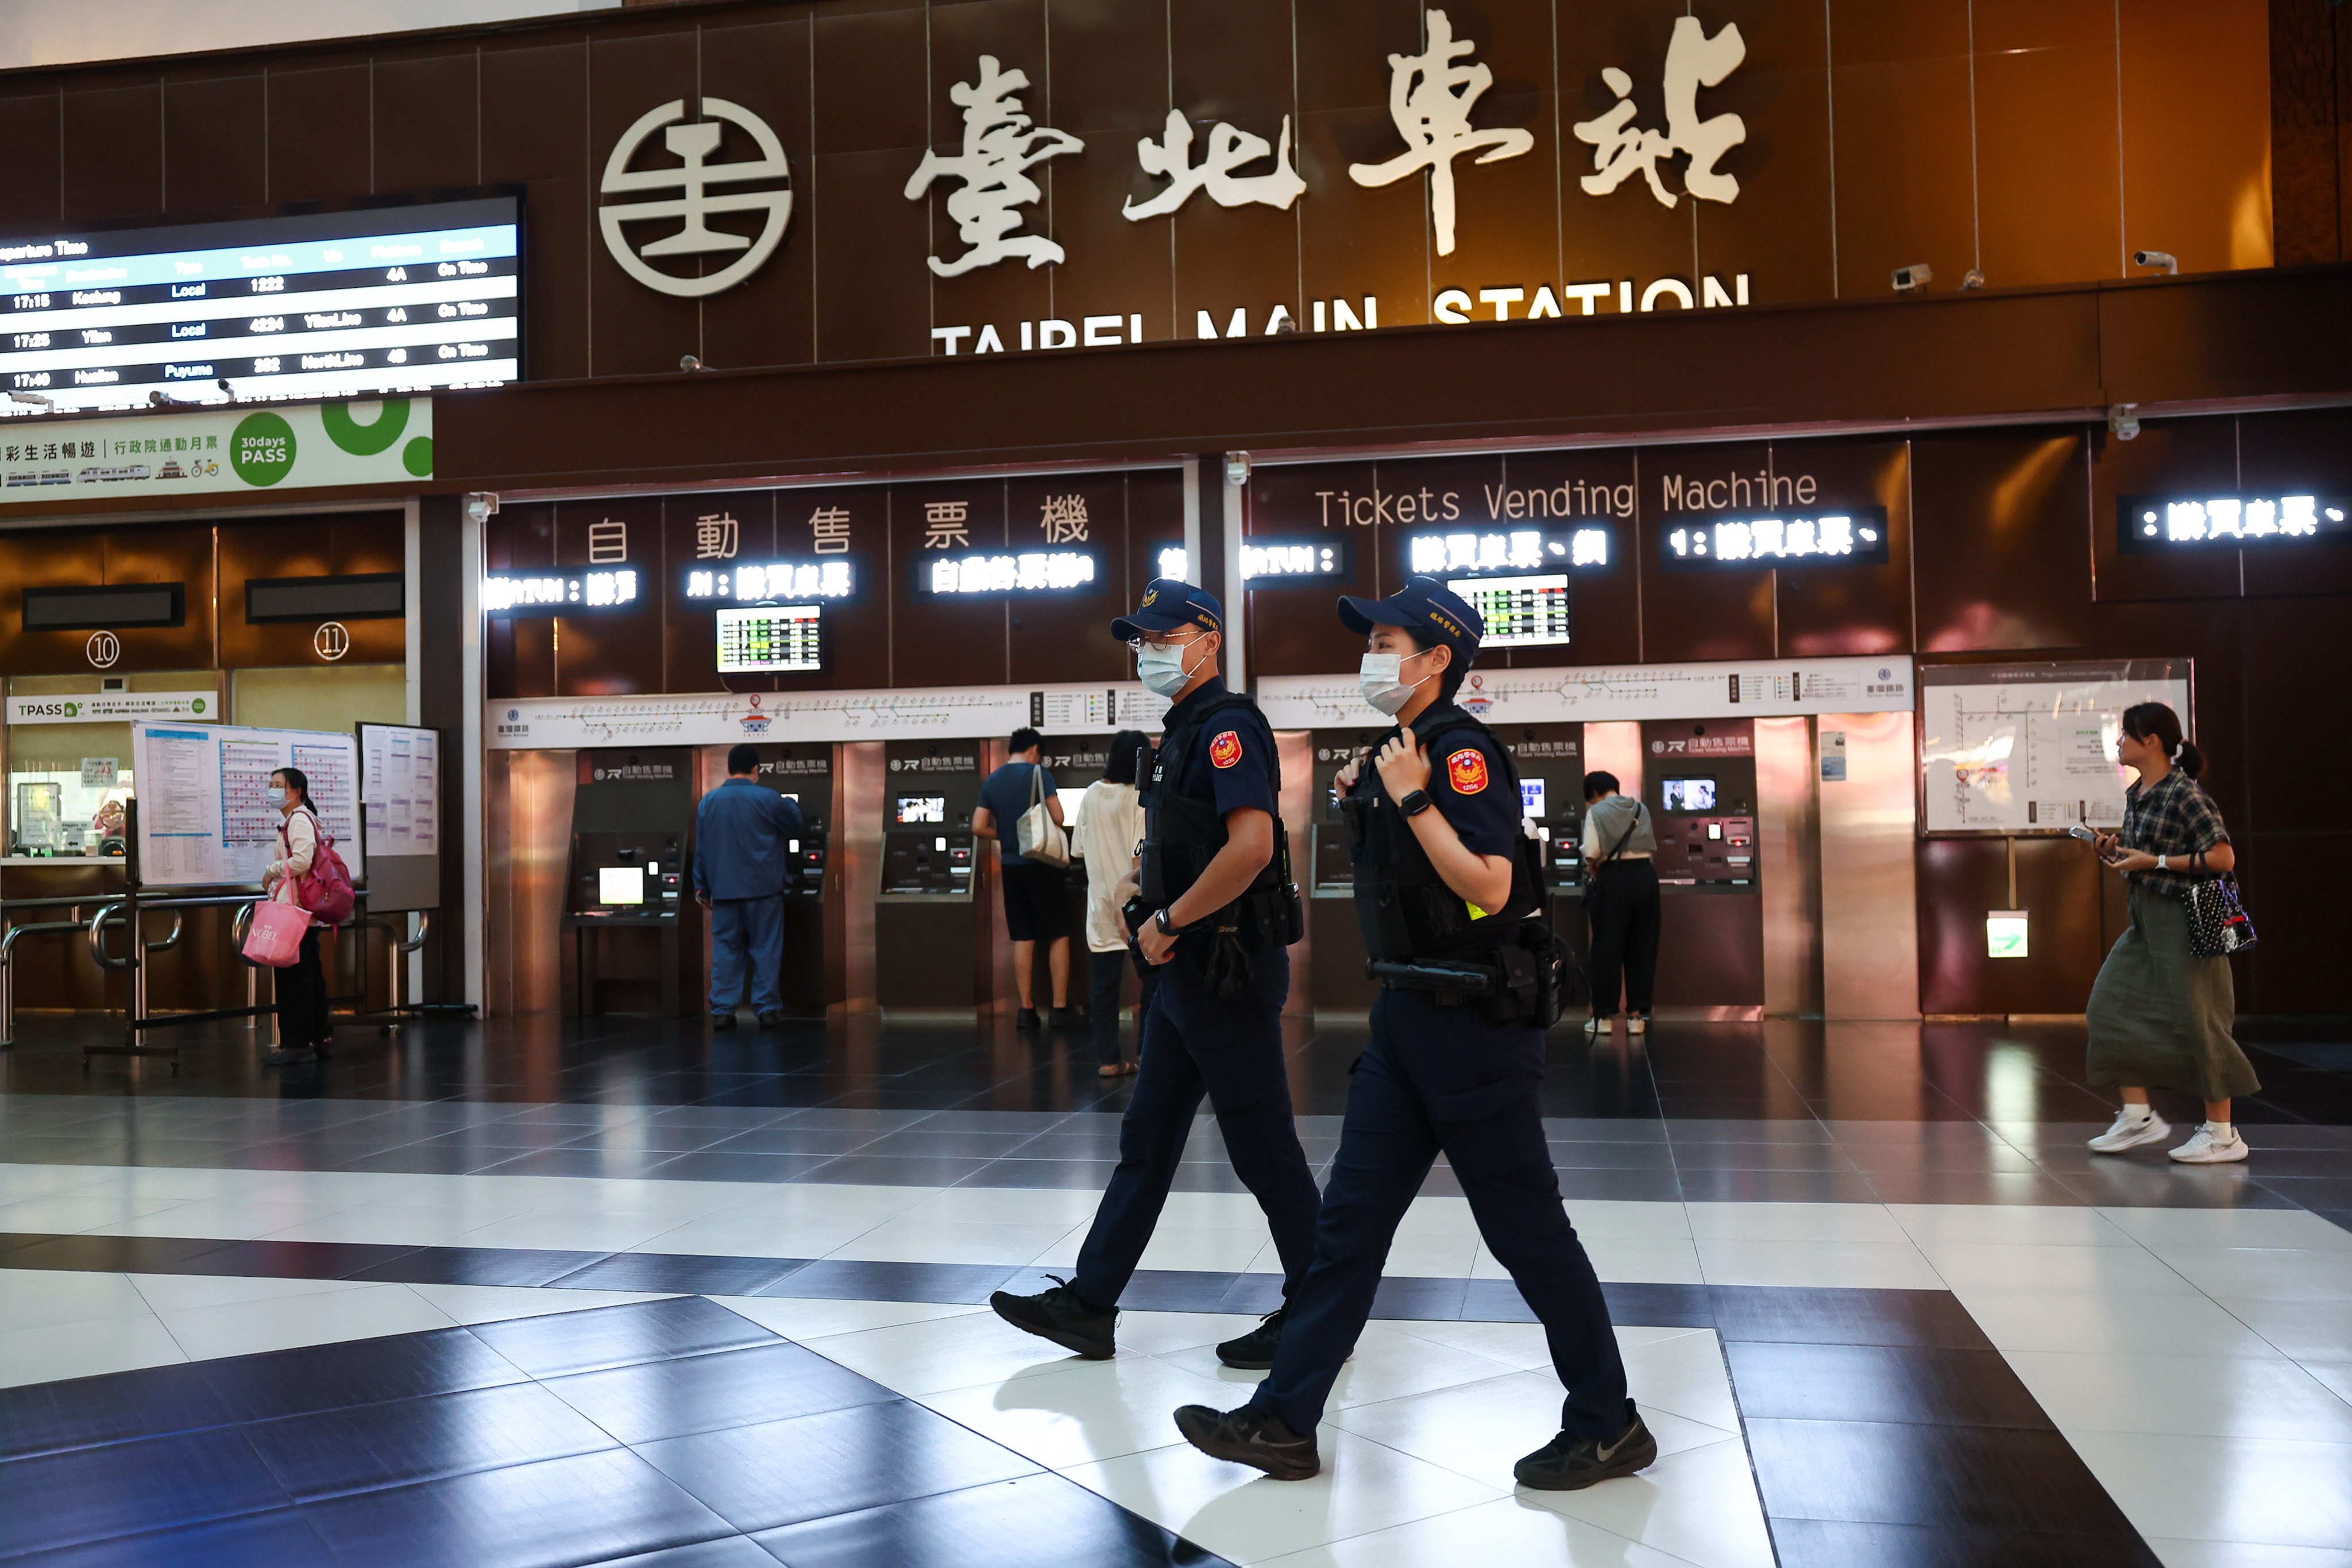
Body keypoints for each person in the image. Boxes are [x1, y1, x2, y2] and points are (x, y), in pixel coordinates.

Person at [1173, 576, 1652, 1491]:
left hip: (1473, 1027)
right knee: (1347, 1227)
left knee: (1527, 1234)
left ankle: (1606, 1421)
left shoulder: (1459, 753)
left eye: (1385, 642)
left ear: (1437, 659)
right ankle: (1283, 1418)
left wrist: (1415, 800)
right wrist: (1385, 789)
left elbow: (1492, 888)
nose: (1369, 657)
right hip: (1404, 1020)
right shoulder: (1402, 747)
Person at [990, 578, 1319, 1371]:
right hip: (1181, 973)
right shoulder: (1177, 734)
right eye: (1139, 640)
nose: (1147, 652)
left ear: (1206, 640)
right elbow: (1187, 843)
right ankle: (1090, 1302)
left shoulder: (1229, 725)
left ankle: (1318, 1311)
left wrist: (1170, 921)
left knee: (1262, 1148)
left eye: (1162, 637)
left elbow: (1250, 847)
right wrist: (1149, 895)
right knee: (1146, 1140)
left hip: (1224, 967)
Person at [2083, 702, 2260, 1164]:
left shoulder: (2186, 795)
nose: (2118, 742)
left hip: (2187, 917)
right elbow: (2141, 854)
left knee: (2199, 1022)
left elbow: (2222, 858)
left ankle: (2222, 1135)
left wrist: (2155, 862)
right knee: (2109, 1007)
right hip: (2144, 917)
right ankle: (2138, 1117)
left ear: (2152, 742)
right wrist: (2114, 850)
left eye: (2125, 735)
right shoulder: (2138, 792)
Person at [974, 728, 1077, 1030]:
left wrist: (1007, 837)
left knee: (1023, 935)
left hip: (1011, 866)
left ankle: (1026, 1010)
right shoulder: (1038, 773)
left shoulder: (992, 781)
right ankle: (1059, 1009)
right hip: (1041, 863)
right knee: (1058, 932)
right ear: (1035, 749)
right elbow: (1058, 817)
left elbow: (979, 826)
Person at [693, 743, 801, 1029]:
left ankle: (723, 1012)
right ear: (756, 769)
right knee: (765, 948)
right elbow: (795, 823)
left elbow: (701, 848)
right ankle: (766, 1010)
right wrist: (790, 802)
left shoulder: (709, 802)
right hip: (763, 891)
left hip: (724, 891)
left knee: (726, 950)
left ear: (729, 768)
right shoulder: (768, 798)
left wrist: (701, 885)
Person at [1076, 729, 1155, 1077]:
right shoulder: (1139, 797)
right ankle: (1146, 1056)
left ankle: (1108, 1060)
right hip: (1135, 905)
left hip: (1100, 907)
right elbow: (1142, 857)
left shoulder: (1091, 794)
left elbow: (1078, 849)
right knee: (1152, 983)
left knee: (1104, 989)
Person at [261, 767, 333, 1067]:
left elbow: (302, 860)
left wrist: (272, 870)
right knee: (308, 976)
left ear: (296, 791)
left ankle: (298, 1043)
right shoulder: (299, 819)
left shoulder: (299, 820)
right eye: (272, 784)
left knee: (295, 979)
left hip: (296, 912)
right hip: (304, 912)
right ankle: (318, 1037)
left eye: (279, 785)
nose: (273, 790)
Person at [1581, 770, 1658, 1037]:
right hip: (1645, 878)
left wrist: (1594, 866)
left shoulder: (1596, 812)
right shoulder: (1641, 808)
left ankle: (1603, 1018)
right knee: (1642, 946)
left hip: (1613, 880)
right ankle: (1636, 1017)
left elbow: (1591, 850)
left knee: (1607, 948)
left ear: (1593, 793)